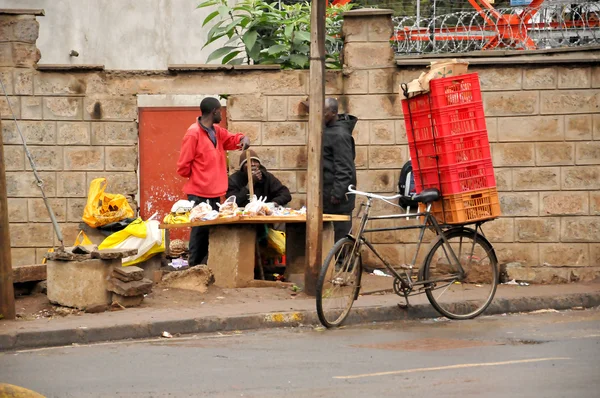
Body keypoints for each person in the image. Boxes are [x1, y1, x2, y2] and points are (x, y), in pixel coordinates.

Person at [177, 97, 251, 266]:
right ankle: (193, 269)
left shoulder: (217, 131)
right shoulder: (193, 133)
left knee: (211, 233)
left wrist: (243, 138)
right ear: (214, 112)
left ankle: (206, 268)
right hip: (198, 193)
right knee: (199, 233)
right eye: (220, 111)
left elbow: (232, 139)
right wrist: (199, 176)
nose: (221, 115)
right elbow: (183, 166)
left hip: (215, 193)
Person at [305, 97, 358, 243]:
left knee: (340, 241)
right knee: (327, 241)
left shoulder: (340, 135)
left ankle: (342, 265)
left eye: (324, 112)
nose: (320, 115)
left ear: (334, 113)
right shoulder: (327, 130)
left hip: (338, 201)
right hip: (327, 197)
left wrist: (337, 194)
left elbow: (345, 167)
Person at [226, 150, 292, 207]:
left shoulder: (266, 177)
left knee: (285, 206)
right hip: (243, 216)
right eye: (248, 162)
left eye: (255, 161)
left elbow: (285, 193)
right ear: (242, 167)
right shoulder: (234, 180)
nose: (252, 164)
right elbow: (232, 202)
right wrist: (250, 184)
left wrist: (273, 203)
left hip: (264, 214)